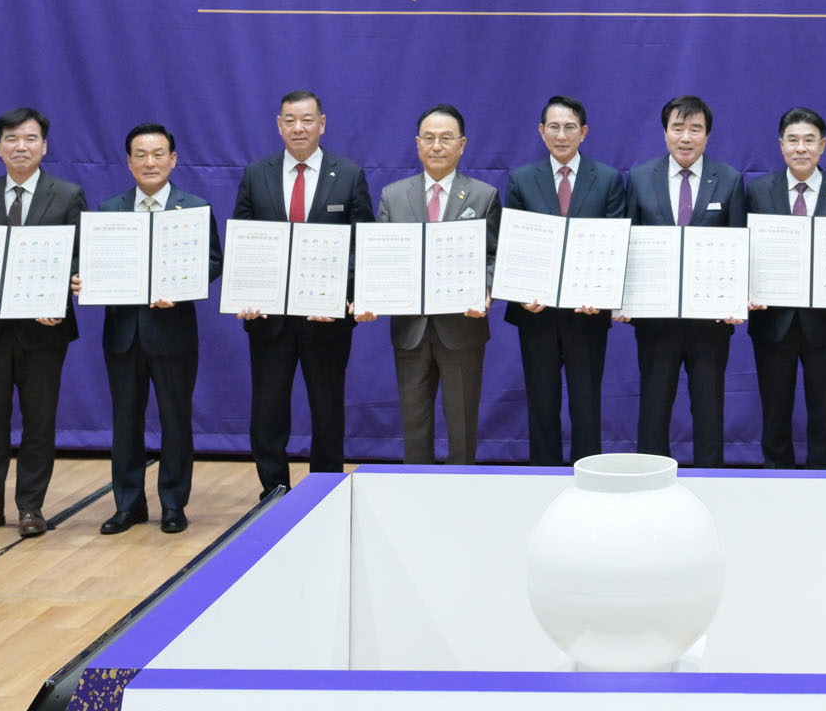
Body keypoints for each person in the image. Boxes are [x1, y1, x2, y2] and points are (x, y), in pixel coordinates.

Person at [0, 107, 86, 540]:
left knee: (39, 422)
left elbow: (79, 256)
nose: (20, 146)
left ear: (44, 146)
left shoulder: (67, 195)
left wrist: (64, 292)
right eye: (11, 139)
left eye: (29, 138)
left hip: (44, 329)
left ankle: (31, 507)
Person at [231, 90, 374, 499]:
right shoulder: (256, 174)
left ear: (322, 124)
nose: (299, 127)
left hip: (325, 320)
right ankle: (273, 488)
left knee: (327, 409)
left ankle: (324, 490)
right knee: (268, 410)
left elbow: (361, 245)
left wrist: (343, 296)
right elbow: (243, 241)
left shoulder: (348, 174)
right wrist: (244, 293)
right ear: (279, 125)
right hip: (269, 320)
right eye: (290, 120)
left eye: (307, 119)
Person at [85, 123, 220, 535]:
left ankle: (173, 503)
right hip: (123, 333)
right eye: (140, 155)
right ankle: (128, 505)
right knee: (125, 421)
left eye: (158, 154)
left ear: (173, 160)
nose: (150, 162)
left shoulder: (193, 208)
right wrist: (85, 277)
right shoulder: (109, 210)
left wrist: (182, 287)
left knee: (175, 419)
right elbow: (93, 263)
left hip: (173, 331)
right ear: (128, 162)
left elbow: (214, 260)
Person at [501, 95, 629, 466]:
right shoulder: (522, 178)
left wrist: (601, 295)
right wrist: (521, 293)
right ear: (541, 132)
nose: (561, 135)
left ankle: (588, 474)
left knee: (586, 403)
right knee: (541, 402)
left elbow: (614, 245)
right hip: (536, 312)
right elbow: (513, 244)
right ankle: (544, 477)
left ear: (583, 132)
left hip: (586, 314)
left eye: (570, 127)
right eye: (554, 127)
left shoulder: (607, 179)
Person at [624, 95, 748, 466]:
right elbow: (627, 244)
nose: (686, 137)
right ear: (665, 132)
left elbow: (738, 244)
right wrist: (623, 300)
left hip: (709, 322)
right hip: (655, 319)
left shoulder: (728, 179)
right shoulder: (640, 178)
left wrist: (735, 301)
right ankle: (650, 478)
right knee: (653, 407)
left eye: (695, 129)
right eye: (677, 128)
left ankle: (711, 482)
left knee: (709, 408)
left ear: (707, 135)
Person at [376, 104, 499, 465]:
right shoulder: (393, 196)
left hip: (463, 326)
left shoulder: (484, 195)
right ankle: (417, 489)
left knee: (462, 425)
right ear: (417, 144)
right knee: (414, 424)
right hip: (410, 328)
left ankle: (461, 490)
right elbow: (379, 258)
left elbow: (494, 256)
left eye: (446, 138)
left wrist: (486, 290)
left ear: (462, 144)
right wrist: (369, 296)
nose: (437, 146)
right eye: (429, 138)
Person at [744, 107, 826, 469]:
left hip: (825, 323)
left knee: (823, 411)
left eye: (809, 140)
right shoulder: (758, 190)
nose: (801, 148)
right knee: (774, 410)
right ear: (781, 145)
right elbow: (746, 249)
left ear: (822, 145)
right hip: (772, 322)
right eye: (793, 140)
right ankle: (776, 478)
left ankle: (824, 482)